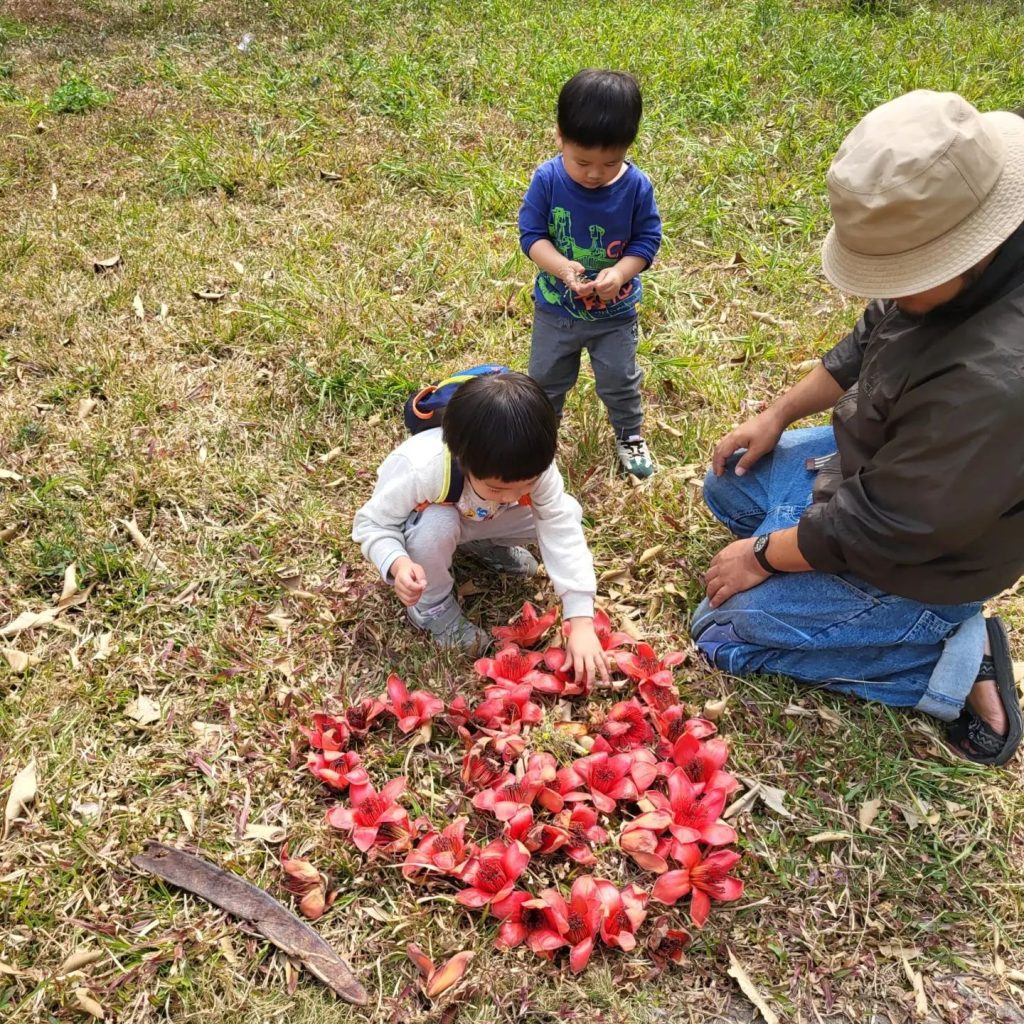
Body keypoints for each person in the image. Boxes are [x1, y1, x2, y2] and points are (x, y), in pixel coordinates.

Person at [691, 90, 1024, 766]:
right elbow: (869, 338)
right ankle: (796, 544)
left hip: (921, 555)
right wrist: (776, 414)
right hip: (877, 469)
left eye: (901, 275)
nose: (890, 290)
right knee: (729, 485)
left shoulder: (995, 380)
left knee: (722, 632)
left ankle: (948, 659)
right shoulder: (956, 246)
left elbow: (886, 523)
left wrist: (761, 557)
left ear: (960, 255)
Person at [352, 371, 610, 683]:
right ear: (463, 460)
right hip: (433, 525)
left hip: (479, 520)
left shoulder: (533, 464)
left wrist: (580, 619)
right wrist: (397, 562)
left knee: (564, 510)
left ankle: (486, 545)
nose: (515, 496)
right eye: (498, 489)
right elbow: (372, 523)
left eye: (525, 485)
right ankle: (432, 608)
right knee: (437, 525)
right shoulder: (423, 466)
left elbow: (560, 528)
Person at [519, 69, 662, 479]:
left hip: (614, 316)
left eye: (610, 162)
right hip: (555, 309)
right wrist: (562, 267)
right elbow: (532, 236)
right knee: (545, 383)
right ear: (559, 136)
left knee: (620, 380)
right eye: (582, 162)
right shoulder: (548, 180)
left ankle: (630, 433)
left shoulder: (636, 187)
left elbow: (647, 241)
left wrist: (620, 273)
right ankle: (539, 442)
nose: (595, 174)